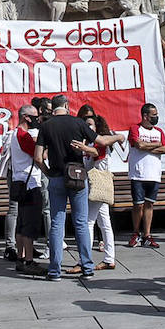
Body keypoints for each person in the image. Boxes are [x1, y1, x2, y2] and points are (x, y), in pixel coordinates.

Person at [33, 94, 102, 280]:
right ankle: (87, 267)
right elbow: (98, 145)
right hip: (77, 176)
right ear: (66, 105)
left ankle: (54, 270)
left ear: (53, 108)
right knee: (80, 223)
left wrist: (48, 172)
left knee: (56, 223)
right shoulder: (78, 123)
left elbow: (38, 157)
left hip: (56, 177)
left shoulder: (46, 126)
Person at [8, 105, 48, 277]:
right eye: (35, 116)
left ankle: (21, 257)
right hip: (29, 183)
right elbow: (40, 155)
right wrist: (47, 143)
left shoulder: (16, 134)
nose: (37, 120)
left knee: (22, 223)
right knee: (29, 224)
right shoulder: (23, 135)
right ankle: (29, 261)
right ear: (26, 117)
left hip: (21, 182)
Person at [127, 102, 165, 248]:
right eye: (154, 115)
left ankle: (147, 234)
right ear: (145, 116)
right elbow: (139, 145)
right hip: (138, 174)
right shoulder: (135, 128)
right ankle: (135, 233)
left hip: (154, 174)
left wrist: (148, 147)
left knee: (149, 204)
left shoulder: (159, 131)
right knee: (138, 205)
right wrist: (155, 145)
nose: (156, 117)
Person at [81, 113, 119, 272]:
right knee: (104, 222)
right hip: (97, 184)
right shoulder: (93, 142)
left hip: (97, 184)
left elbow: (96, 154)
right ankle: (109, 258)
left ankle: (86, 259)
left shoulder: (100, 142)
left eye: (90, 124)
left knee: (89, 222)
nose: (87, 127)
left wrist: (82, 147)